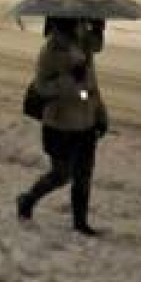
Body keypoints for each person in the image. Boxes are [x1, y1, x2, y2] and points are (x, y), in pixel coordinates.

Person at [16, 16, 109, 236]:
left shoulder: (83, 40)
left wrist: (101, 114)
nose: (76, 22)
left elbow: (92, 84)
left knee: (83, 175)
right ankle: (28, 199)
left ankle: (80, 222)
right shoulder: (51, 51)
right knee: (61, 174)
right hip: (60, 123)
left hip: (86, 121)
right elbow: (42, 88)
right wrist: (69, 79)